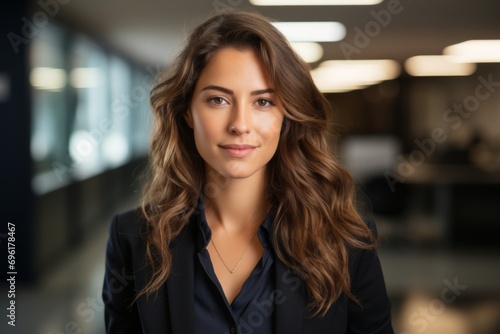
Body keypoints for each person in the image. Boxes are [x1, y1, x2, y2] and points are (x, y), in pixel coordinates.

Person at [103, 9, 394, 334]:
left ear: (287, 116)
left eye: (263, 102)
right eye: (218, 100)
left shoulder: (347, 242)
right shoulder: (132, 239)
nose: (240, 125)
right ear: (187, 112)